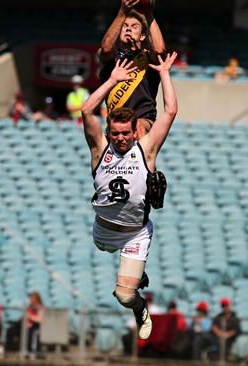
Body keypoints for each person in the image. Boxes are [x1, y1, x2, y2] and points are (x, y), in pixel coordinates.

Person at [81, 52, 178, 340]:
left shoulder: (145, 149)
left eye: (125, 133)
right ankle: (136, 272)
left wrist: (164, 73)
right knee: (103, 248)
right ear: (109, 132)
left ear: (134, 132)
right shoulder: (100, 150)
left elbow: (170, 111)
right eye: (115, 133)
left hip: (135, 233)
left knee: (124, 296)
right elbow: (87, 111)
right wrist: (111, 80)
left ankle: (139, 305)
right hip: (103, 232)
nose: (121, 138)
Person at [98, 0, 166, 138]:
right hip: (115, 125)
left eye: (134, 26)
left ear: (142, 35)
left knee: (137, 127)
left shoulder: (149, 58)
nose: (128, 28)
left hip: (143, 121)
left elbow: (159, 50)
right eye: (125, 26)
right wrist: (122, 12)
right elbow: (105, 49)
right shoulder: (112, 60)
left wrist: (148, 13)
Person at [25, 291, 44, 359]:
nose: (30, 300)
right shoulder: (30, 306)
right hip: (28, 326)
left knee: (32, 333)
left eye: (32, 298)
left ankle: (33, 352)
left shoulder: (40, 307)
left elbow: (40, 320)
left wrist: (29, 317)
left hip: (37, 327)